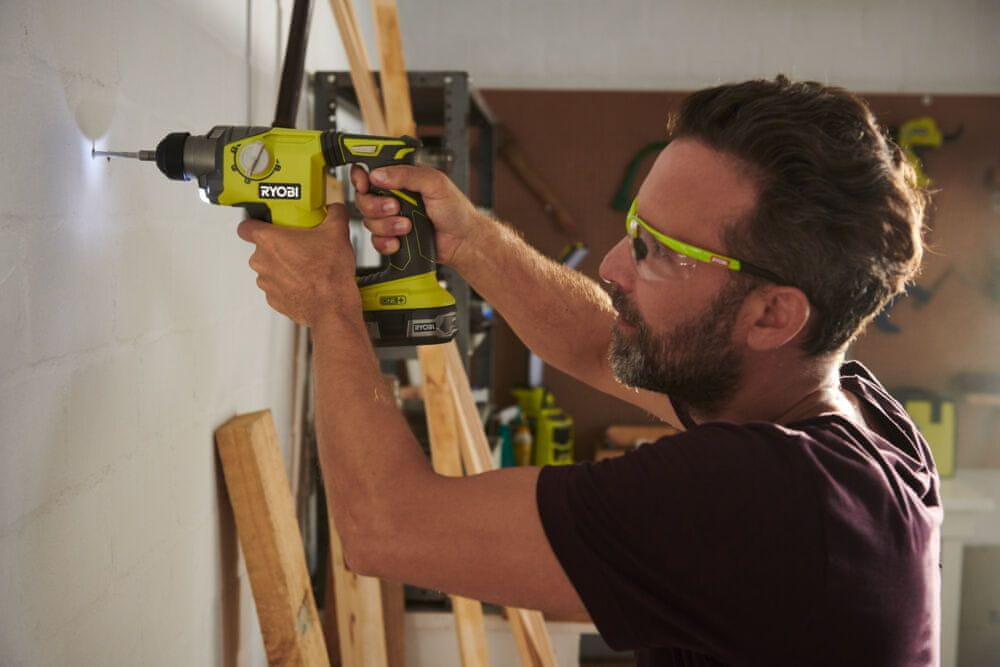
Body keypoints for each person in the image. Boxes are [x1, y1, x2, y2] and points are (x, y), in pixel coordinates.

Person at [237, 76, 939, 666]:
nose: (610, 266)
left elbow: (386, 527)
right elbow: (597, 345)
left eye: (659, 251)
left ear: (772, 315)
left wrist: (330, 302)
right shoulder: (856, 420)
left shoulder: (764, 499)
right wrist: (469, 239)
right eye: (635, 229)